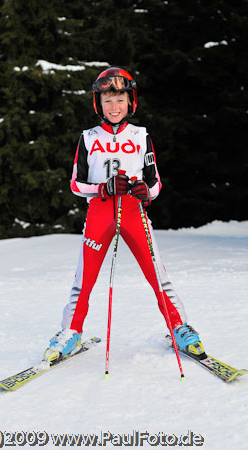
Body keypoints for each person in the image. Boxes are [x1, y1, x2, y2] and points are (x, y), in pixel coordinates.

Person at [43, 67, 203, 363]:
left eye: (119, 100)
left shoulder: (141, 136)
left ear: (131, 102)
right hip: (99, 214)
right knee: (84, 280)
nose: (114, 107)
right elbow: (76, 183)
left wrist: (146, 192)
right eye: (107, 101)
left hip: (134, 213)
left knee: (158, 276)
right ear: (98, 104)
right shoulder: (88, 138)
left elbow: (155, 182)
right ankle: (70, 332)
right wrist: (102, 187)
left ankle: (179, 327)